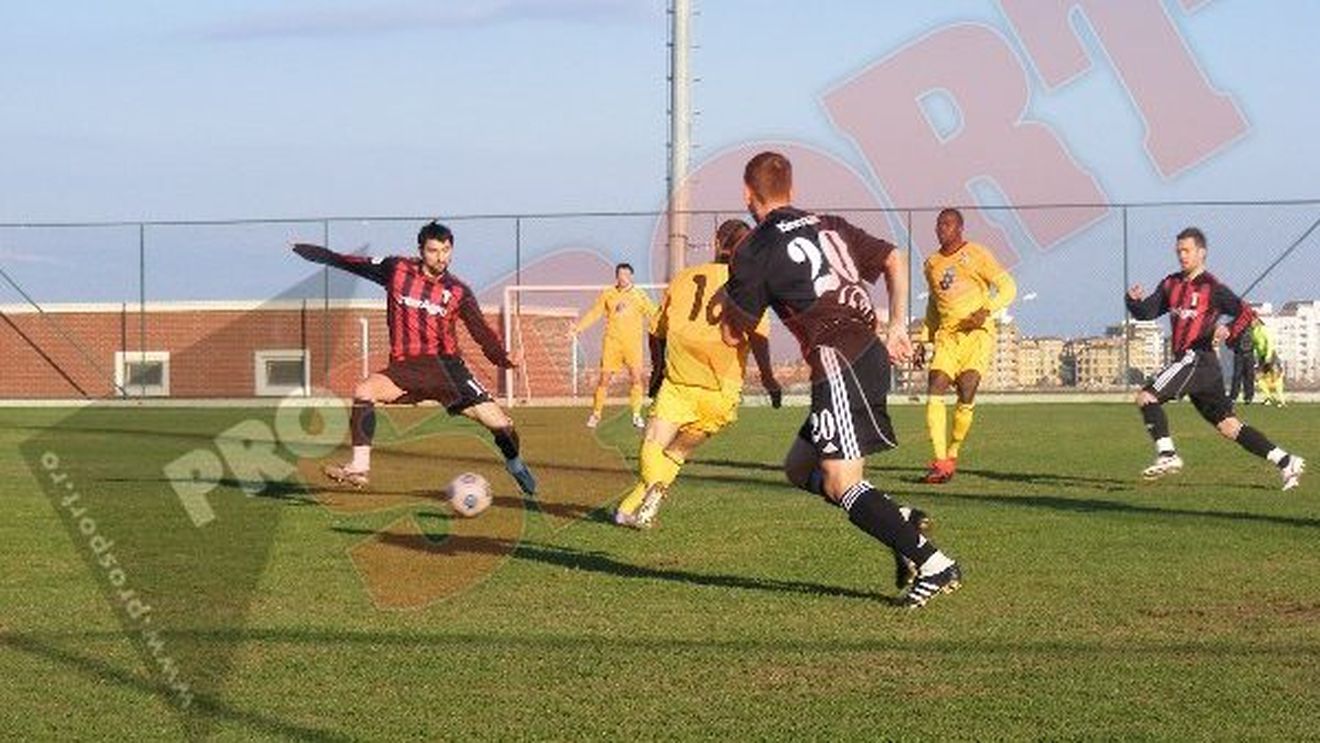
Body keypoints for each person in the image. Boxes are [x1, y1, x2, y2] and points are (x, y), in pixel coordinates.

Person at [721, 151, 961, 609]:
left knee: (839, 482)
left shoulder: (755, 247)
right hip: (862, 351)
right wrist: (896, 326)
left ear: (747, 195)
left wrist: (727, 297)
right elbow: (893, 258)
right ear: (791, 189)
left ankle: (934, 564)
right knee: (798, 467)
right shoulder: (828, 223)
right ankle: (897, 519)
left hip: (839, 360)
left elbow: (735, 332)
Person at [291, 221, 537, 495]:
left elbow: (481, 332)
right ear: (421, 250)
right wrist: (313, 252)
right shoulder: (397, 270)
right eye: (434, 251)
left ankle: (514, 464)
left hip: (448, 371)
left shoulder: (458, 291)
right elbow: (352, 263)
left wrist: (503, 358)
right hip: (406, 368)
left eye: (446, 250)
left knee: (502, 426)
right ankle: (359, 467)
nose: (441, 257)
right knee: (364, 391)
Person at [613, 219, 782, 528]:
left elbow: (656, 332)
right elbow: (759, 337)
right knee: (676, 452)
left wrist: (658, 370)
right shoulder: (752, 285)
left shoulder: (683, 278)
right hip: (721, 391)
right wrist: (769, 378)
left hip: (680, 381)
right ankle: (628, 510)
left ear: (716, 243)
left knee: (653, 444)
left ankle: (651, 490)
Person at [1126, 227, 1304, 490]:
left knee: (1146, 397)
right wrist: (1133, 301)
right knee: (1228, 426)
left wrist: (1228, 329)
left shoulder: (1213, 287)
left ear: (1201, 252)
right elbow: (1147, 312)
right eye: (1178, 251)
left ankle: (1168, 454)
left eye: (1187, 250)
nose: (1182, 256)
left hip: (1196, 358)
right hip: (1200, 367)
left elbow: (1246, 313)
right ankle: (1286, 461)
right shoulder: (1170, 284)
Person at [916, 208, 1016, 484]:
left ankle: (952, 453)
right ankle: (940, 462)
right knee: (936, 385)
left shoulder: (978, 254)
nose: (942, 228)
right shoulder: (931, 263)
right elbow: (934, 304)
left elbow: (1008, 287)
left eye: (948, 224)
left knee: (967, 389)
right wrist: (924, 339)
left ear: (960, 228)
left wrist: (987, 310)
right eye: (939, 224)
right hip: (948, 337)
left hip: (977, 335)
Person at [570, 263, 658, 429]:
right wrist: (578, 328)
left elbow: (654, 314)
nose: (623, 278)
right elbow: (595, 312)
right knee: (604, 379)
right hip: (612, 343)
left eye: (626, 275)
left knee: (636, 378)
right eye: (620, 274)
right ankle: (596, 414)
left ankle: (636, 414)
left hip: (633, 344)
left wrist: (669, 326)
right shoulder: (608, 294)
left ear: (631, 276)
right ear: (616, 276)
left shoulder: (640, 295)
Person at [1252, 320, 1287, 406]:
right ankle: (1268, 398)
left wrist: (1268, 356)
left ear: (1257, 321)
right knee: (1258, 377)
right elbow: (1255, 345)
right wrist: (1255, 356)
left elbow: (1270, 342)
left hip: (1271, 355)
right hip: (1261, 357)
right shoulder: (1253, 332)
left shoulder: (1264, 329)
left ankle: (1281, 400)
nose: (1250, 323)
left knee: (1276, 377)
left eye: (1251, 321)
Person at [1227, 322, 1255, 404]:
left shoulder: (1251, 329)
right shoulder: (1236, 328)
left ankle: (1248, 397)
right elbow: (1229, 341)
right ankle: (1234, 397)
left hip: (1248, 354)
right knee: (1237, 376)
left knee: (1248, 376)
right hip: (1240, 354)